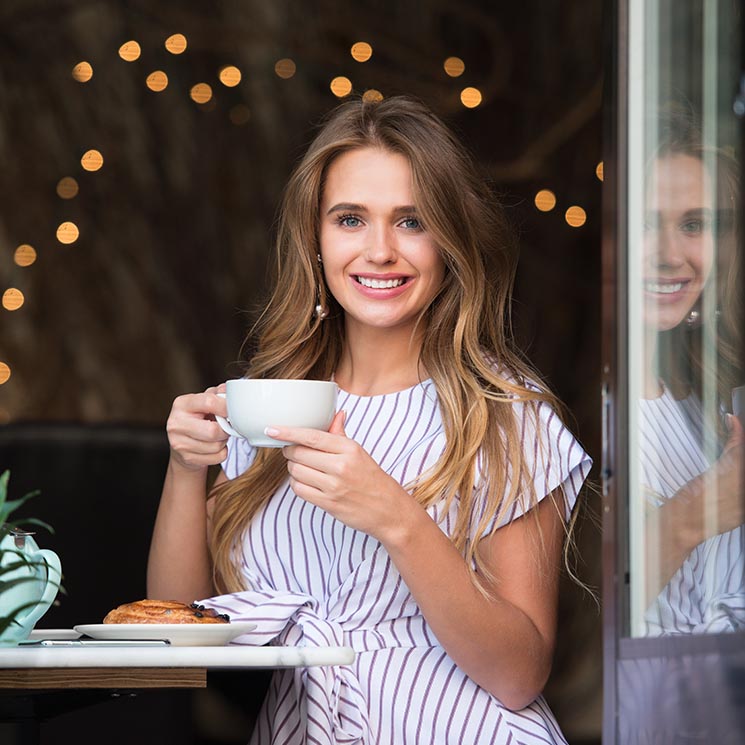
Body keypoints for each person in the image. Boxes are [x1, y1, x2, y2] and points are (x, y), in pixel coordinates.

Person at [147, 95, 592, 744]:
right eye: (350, 218)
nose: (379, 250)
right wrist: (186, 469)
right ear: (315, 239)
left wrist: (395, 516)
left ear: (450, 242)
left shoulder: (502, 413)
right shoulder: (269, 407)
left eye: (411, 221)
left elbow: (519, 674)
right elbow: (178, 638)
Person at [638, 108, 744, 634]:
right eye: (643, 223)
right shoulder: (575, 412)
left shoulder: (708, 401)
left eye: (694, 225)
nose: (669, 254)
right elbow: (580, 620)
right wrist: (690, 515)